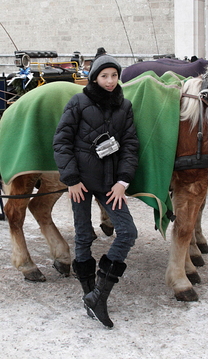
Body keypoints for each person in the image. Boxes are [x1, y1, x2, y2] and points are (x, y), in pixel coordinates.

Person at [53, 54, 139, 328]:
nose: (110, 81)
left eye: (114, 75)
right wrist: (71, 179)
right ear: (94, 78)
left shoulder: (124, 106)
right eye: (104, 76)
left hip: (109, 182)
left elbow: (130, 145)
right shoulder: (78, 102)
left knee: (127, 231)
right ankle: (88, 294)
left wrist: (122, 182)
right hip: (79, 181)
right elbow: (62, 140)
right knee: (83, 235)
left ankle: (98, 295)